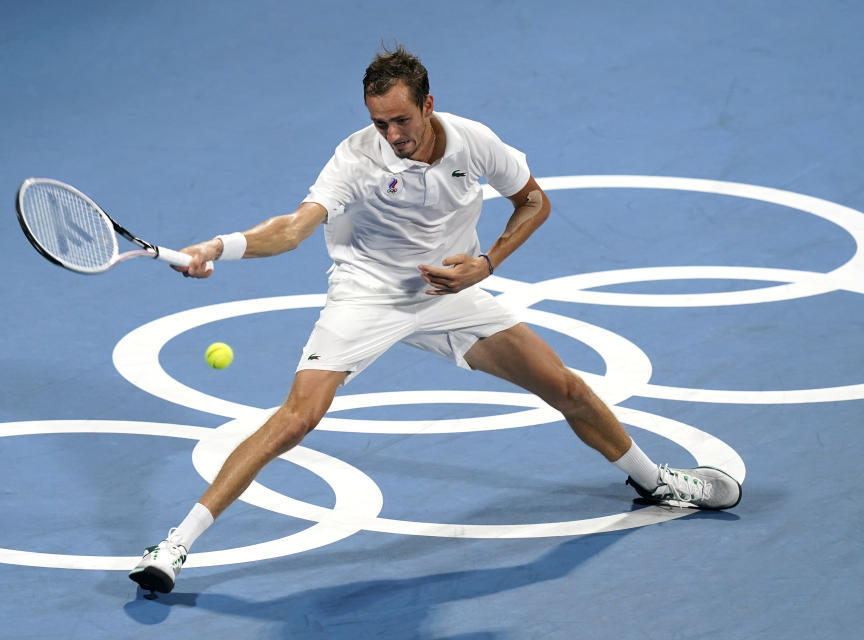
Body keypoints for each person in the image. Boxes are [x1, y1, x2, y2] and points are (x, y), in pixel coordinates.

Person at [128, 46, 742, 594]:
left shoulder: (473, 142)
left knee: (567, 387)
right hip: (367, 294)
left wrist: (487, 264)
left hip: (450, 290)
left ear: (428, 104)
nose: (392, 135)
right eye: (379, 123)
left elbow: (533, 200)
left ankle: (654, 481)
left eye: (401, 120)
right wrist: (219, 246)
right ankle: (176, 545)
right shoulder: (353, 160)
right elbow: (291, 230)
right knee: (297, 418)